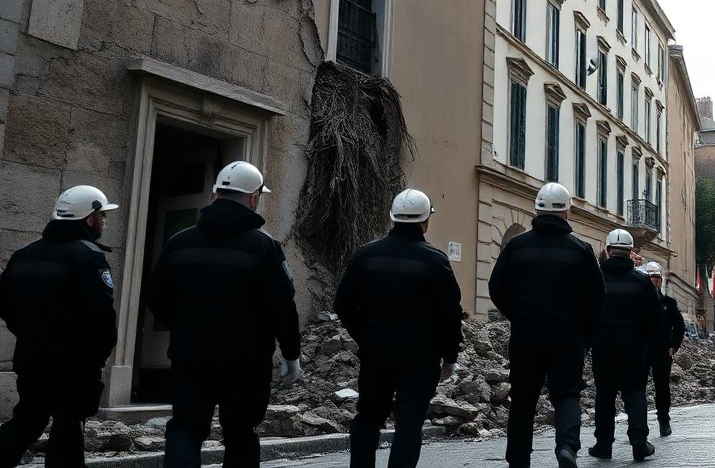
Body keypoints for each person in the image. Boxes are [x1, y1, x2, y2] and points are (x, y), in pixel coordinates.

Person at [147, 161, 301, 468]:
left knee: (186, 427)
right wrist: (291, 355)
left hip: (190, 356)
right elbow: (283, 306)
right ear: (254, 198)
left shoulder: (179, 243)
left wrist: (186, 326)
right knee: (240, 431)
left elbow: (156, 298)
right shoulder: (264, 246)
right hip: (246, 361)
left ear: (215, 193)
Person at [334, 189, 463, 468]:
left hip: (376, 351)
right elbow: (450, 315)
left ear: (392, 218)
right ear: (425, 221)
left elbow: (343, 303)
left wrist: (365, 335)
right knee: (410, 420)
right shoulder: (436, 260)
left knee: (368, 415)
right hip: (420, 355)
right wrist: (450, 356)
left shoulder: (366, 255)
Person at [0, 186, 119, 468]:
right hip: (74, 362)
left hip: (31, 357)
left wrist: (29, 333)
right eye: (102, 215)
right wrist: (98, 356)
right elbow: (102, 317)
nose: (104, 221)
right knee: (68, 425)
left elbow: (4, 303)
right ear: (89, 219)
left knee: (28, 418)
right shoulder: (89, 257)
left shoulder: (24, 255)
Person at [488, 183, 605, 468]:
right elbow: (596, 298)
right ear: (567, 212)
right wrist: (584, 335)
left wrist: (518, 314)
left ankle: (518, 460)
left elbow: (496, 287)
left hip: (527, 335)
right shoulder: (581, 250)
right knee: (567, 394)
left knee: (523, 400)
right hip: (568, 336)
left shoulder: (517, 246)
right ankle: (566, 445)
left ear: (536, 210)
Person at [588, 230, 660, 462]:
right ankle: (639, 440)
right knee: (635, 392)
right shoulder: (641, 281)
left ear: (608, 251)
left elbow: (584, 313)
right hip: (634, 347)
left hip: (602, 347)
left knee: (605, 394)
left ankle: (603, 444)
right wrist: (646, 342)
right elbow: (656, 316)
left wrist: (591, 339)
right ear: (630, 253)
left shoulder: (596, 279)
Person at [642, 261, 684, 435]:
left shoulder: (669, 303)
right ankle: (639, 422)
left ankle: (664, 419)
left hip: (662, 351)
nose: (655, 281)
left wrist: (674, 345)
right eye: (651, 278)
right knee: (638, 387)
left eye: (657, 278)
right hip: (642, 350)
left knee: (662, 386)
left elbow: (679, 325)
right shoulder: (639, 302)